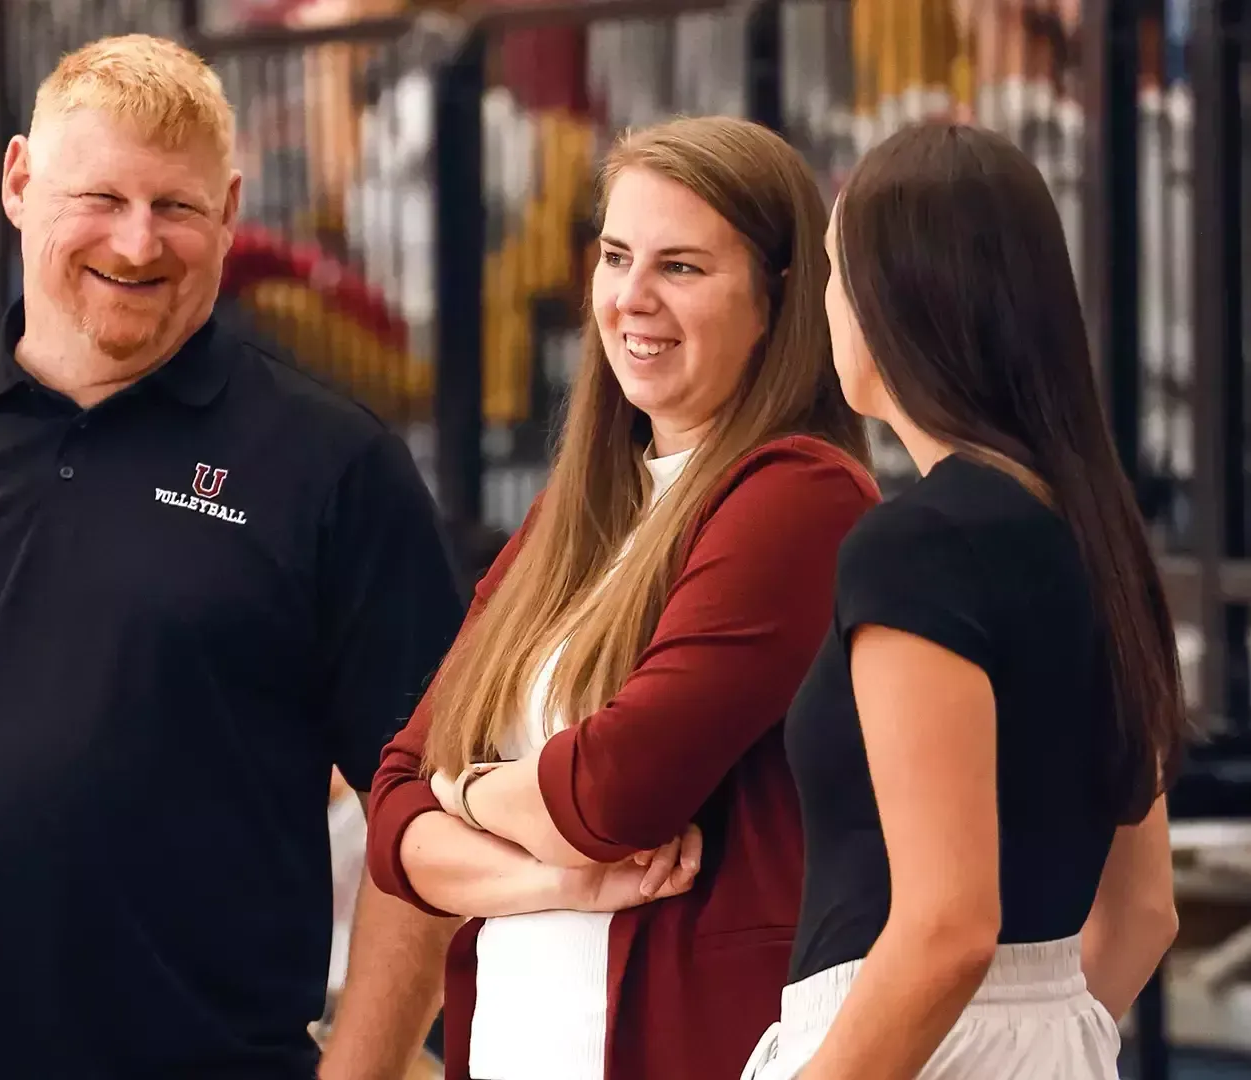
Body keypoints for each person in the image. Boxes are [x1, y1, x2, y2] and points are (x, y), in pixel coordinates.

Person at [0, 34, 463, 1080]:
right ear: (18, 181)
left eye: (178, 208)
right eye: (99, 197)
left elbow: (423, 809)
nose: (139, 243)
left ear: (232, 212)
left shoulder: (333, 469)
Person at [363, 115, 880, 1080]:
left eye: (681, 267)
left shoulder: (799, 496)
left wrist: (468, 792)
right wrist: (556, 877)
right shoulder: (578, 509)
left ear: (778, 299)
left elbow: (613, 795)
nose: (631, 299)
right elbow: (393, 812)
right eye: (614, 256)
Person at [739, 120, 1185, 1080]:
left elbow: (946, 925)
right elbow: (1145, 912)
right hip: (1055, 1035)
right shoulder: (1101, 536)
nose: (825, 307)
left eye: (831, 273)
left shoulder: (918, 546)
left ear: (896, 299)